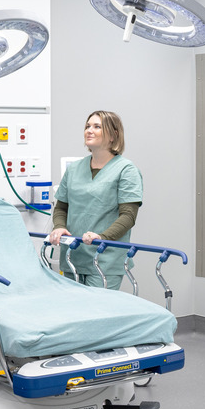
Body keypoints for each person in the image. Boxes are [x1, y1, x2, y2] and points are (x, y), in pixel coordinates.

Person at [46, 111, 143, 290]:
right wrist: (59, 226)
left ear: (114, 135)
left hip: (105, 257)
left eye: (97, 127)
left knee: (99, 313)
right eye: (87, 126)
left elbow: (128, 216)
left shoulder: (126, 170)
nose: (89, 130)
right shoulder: (75, 169)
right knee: (74, 313)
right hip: (73, 256)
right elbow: (61, 207)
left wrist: (102, 237)